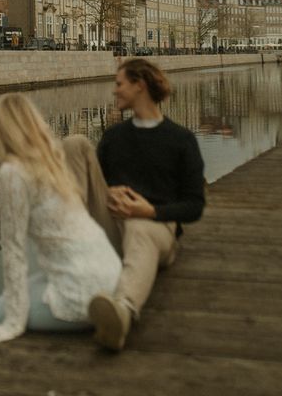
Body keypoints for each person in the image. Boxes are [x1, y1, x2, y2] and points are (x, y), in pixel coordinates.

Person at [0, 93, 121, 357]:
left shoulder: (12, 173)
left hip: (81, 295)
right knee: (24, 291)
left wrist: (13, 322)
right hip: (112, 278)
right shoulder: (53, 163)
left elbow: (14, 252)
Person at [85, 58, 205, 351]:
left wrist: (150, 211)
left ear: (139, 86)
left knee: (139, 226)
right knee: (76, 146)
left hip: (156, 228)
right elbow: (99, 184)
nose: (115, 91)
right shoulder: (113, 138)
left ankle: (123, 312)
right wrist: (108, 192)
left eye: (119, 84)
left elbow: (194, 206)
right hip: (114, 223)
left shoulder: (180, 140)